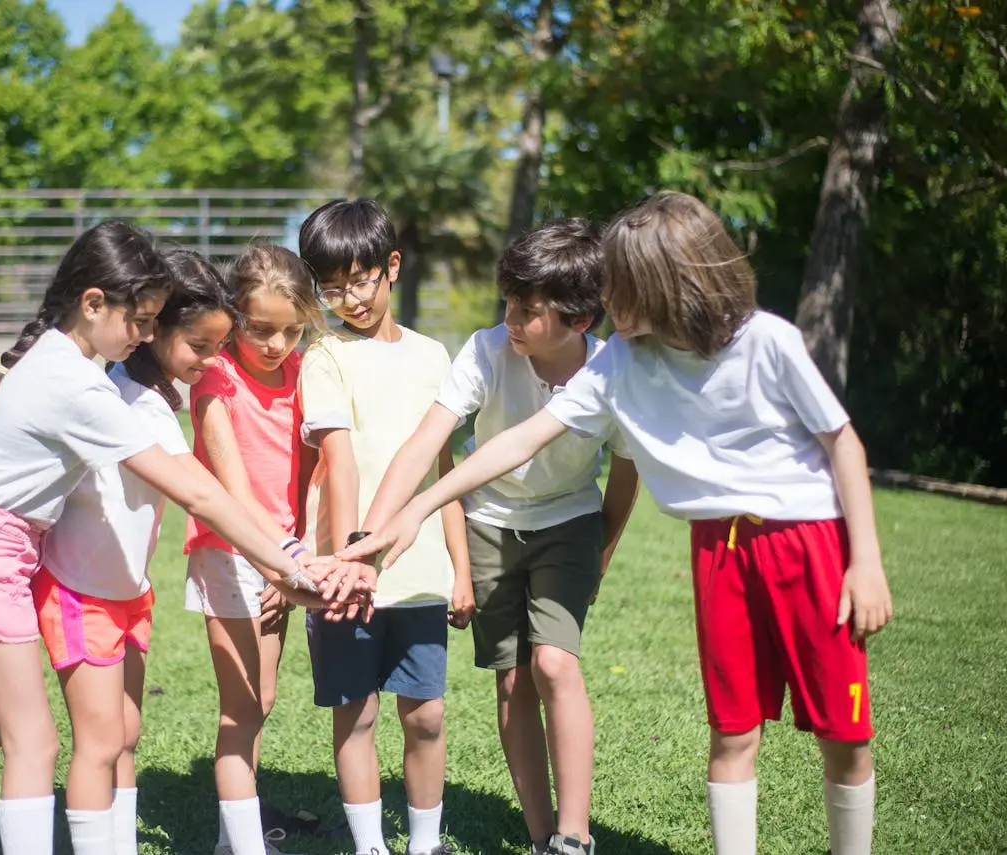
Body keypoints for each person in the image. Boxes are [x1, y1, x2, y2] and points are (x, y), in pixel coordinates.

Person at [345, 191, 894, 855]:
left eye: (618, 286)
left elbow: (842, 441)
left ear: (664, 287)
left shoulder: (763, 342)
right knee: (732, 729)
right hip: (716, 544)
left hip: (810, 544)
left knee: (843, 729)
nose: (606, 298)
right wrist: (417, 509)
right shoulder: (620, 361)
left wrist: (865, 560)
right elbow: (515, 443)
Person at [0, 223, 360, 855]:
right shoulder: (100, 392)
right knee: (34, 742)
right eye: (144, 321)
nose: (146, 335)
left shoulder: (79, 369)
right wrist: (293, 567)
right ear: (94, 303)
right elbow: (201, 493)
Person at [355, 219, 640, 855]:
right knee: (512, 679)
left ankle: (575, 835)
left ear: (579, 318)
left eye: (528, 310)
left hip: (569, 520)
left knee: (554, 662)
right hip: (489, 524)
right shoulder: (486, 350)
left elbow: (625, 473)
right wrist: (370, 534)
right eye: (507, 302)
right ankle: (542, 837)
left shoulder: (608, 372)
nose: (510, 318)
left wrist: (604, 547)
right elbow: (426, 444)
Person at [33, 248, 236, 855]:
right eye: (199, 345)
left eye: (218, 347)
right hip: (81, 589)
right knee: (98, 742)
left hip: (127, 591)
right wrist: (284, 557)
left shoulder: (147, 394)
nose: (211, 360)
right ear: (155, 330)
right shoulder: (125, 398)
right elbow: (200, 493)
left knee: (125, 732)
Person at [298, 198, 471, 855]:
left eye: (360, 279)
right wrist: (349, 562)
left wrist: (461, 565)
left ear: (391, 266)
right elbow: (338, 461)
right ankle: (371, 844)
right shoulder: (324, 355)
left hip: (422, 570)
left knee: (425, 714)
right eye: (331, 286)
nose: (348, 297)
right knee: (359, 711)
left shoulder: (434, 356)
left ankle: (424, 844)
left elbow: (444, 469)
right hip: (348, 571)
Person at [183, 244, 326, 855]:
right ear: (233, 315)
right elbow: (232, 486)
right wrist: (278, 560)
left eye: (292, 330)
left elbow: (314, 468)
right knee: (242, 705)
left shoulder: (305, 372)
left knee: (261, 698)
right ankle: (238, 845)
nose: (277, 344)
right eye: (261, 329)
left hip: (282, 553)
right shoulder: (215, 374)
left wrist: (293, 555)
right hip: (229, 549)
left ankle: (237, 832)